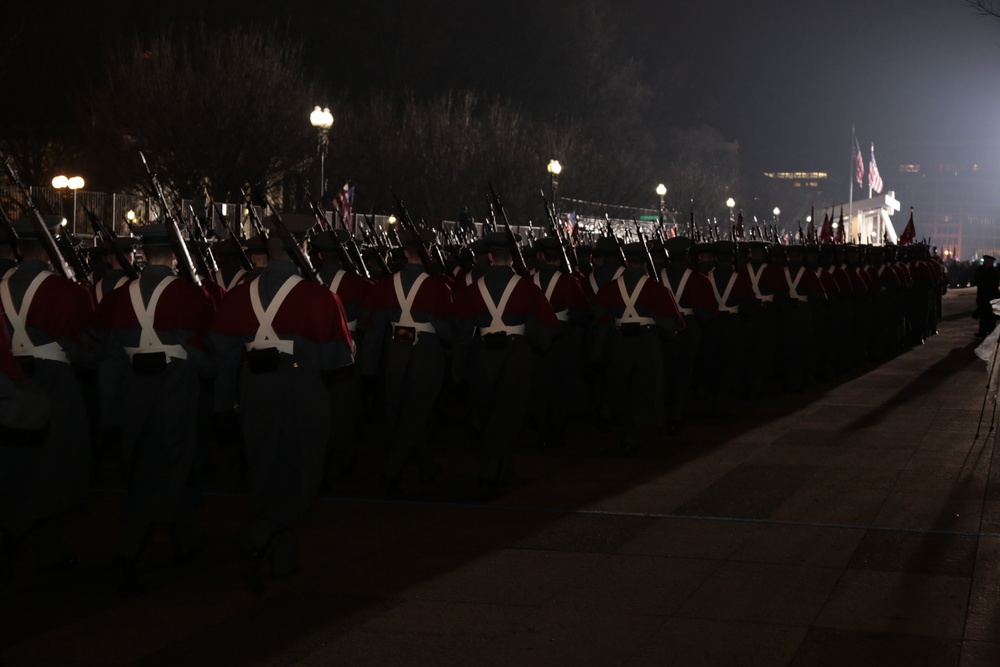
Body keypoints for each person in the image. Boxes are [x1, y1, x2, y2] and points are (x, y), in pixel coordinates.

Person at [208, 219, 354, 582]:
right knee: (304, 472)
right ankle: (260, 533)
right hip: (301, 389)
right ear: (301, 249)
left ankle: (282, 555)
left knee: (264, 468)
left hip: (253, 389)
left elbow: (223, 354)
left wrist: (223, 405)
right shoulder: (318, 297)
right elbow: (336, 359)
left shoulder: (240, 294)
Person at [95, 224, 216, 584]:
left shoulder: (118, 298)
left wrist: (108, 413)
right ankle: (132, 547)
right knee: (171, 459)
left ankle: (185, 536)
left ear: (142, 254)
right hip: (177, 386)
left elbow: (109, 361)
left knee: (146, 458)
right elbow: (204, 349)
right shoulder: (190, 295)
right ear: (174, 255)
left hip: (134, 388)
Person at [0, 216, 95, 573]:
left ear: (20, 249)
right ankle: (37, 538)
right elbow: (84, 338)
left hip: (10, 378)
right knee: (57, 462)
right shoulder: (66, 291)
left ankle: (33, 538)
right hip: (54, 378)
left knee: (16, 462)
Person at [451, 232, 559, 499]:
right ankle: (489, 473)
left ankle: (504, 468)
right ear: (512, 257)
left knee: (491, 412)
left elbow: (462, 331)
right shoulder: (527, 287)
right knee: (509, 414)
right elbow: (547, 326)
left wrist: (458, 368)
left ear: (489, 256)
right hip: (516, 353)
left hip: (484, 353)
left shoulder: (473, 289)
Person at [360, 228, 453, 496]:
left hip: (395, 348)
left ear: (404, 252)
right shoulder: (439, 287)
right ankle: (392, 470)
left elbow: (374, 328)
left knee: (400, 410)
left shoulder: (386, 284)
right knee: (417, 411)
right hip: (426, 351)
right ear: (429, 252)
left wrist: (368, 368)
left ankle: (425, 466)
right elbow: (448, 332)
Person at [592, 241, 684, 456]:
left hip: (619, 340)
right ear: (645, 263)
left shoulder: (610, 288)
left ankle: (628, 433)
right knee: (644, 389)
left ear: (626, 262)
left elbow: (599, 318)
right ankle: (632, 437)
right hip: (647, 341)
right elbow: (673, 324)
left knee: (622, 386)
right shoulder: (657, 289)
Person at [973, 255, 999, 338]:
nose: (986, 263)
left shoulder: (993, 272)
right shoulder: (980, 270)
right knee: (983, 315)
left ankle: (991, 333)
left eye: (987, 262)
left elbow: (994, 285)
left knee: (991, 317)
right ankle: (982, 332)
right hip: (982, 296)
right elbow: (976, 280)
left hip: (991, 297)